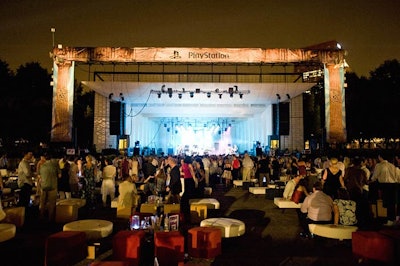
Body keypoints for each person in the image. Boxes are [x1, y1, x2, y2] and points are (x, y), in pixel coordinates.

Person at [370, 154, 398, 226]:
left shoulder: (379, 165)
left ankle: (389, 220)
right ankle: (392, 220)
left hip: (384, 185)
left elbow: (374, 176)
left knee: (387, 202)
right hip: (393, 185)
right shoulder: (392, 166)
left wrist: (371, 180)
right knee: (391, 203)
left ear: (380, 157)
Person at [39, 153, 60, 222]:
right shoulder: (55, 165)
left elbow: (39, 176)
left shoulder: (42, 166)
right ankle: (50, 218)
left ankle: (41, 216)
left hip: (44, 186)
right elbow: (59, 175)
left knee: (42, 202)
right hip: (53, 185)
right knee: (52, 203)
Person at [180, 156, 197, 223]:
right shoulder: (189, 165)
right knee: (189, 191)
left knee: (186, 191)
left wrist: (185, 174)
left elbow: (180, 171)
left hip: (185, 179)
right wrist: (195, 180)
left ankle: (185, 203)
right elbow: (192, 173)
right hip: (190, 179)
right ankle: (187, 202)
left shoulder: (183, 165)